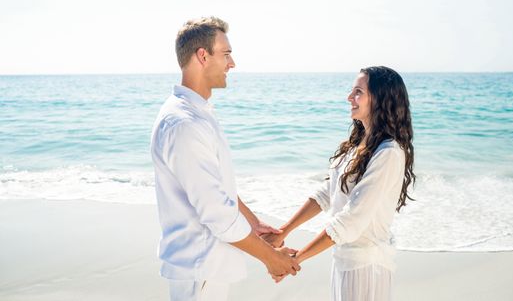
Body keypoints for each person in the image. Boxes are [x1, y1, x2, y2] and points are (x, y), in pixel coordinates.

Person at [151, 16, 300, 301]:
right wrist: (271, 258)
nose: (232, 64)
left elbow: (216, 186)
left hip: (206, 269)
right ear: (202, 56)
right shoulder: (184, 123)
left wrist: (252, 223)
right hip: (200, 270)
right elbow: (216, 212)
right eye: (227, 54)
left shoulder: (198, 114)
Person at [262, 66, 416, 301]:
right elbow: (327, 193)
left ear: (380, 99)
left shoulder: (389, 153)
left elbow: (351, 220)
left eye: (358, 92)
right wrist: (284, 230)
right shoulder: (358, 145)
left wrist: (295, 259)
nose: (349, 97)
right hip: (345, 261)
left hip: (367, 267)